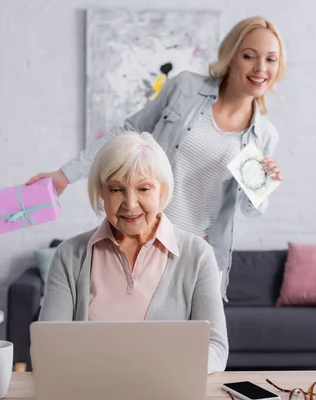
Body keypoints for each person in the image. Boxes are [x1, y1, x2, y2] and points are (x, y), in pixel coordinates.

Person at [27, 16, 287, 300]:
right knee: (127, 333)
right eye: (249, 56)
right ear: (231, 56)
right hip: (144, 237)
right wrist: (65, 175)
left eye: (271, 59)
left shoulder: (264, 134)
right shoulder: (185, 88)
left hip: (200, 251)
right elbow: (128, 131)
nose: (261, 68)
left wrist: (263, 186)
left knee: (193, 341)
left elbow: (249, 210)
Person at [38, 132, 229, 374]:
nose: (130, 203)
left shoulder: (198, 255)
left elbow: (215, 347)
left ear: (162, 191)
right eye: (116, 189)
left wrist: (166, 372)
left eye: (144, 189)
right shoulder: (69, 255)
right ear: (102, 193)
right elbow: (49, 345)